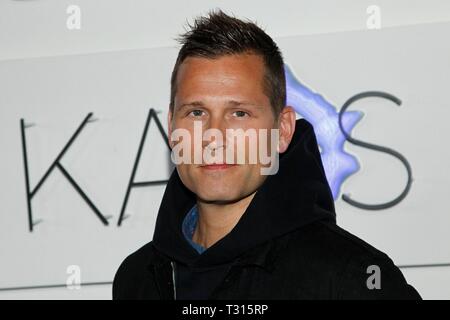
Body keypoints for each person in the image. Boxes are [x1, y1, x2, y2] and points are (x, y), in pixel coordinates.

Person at [113, 10, 421, 300]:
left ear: (283, 130)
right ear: (171, 126)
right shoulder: (136, 279)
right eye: (196, 112)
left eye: (240, 113)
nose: (214, 136)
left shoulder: (351, 277)